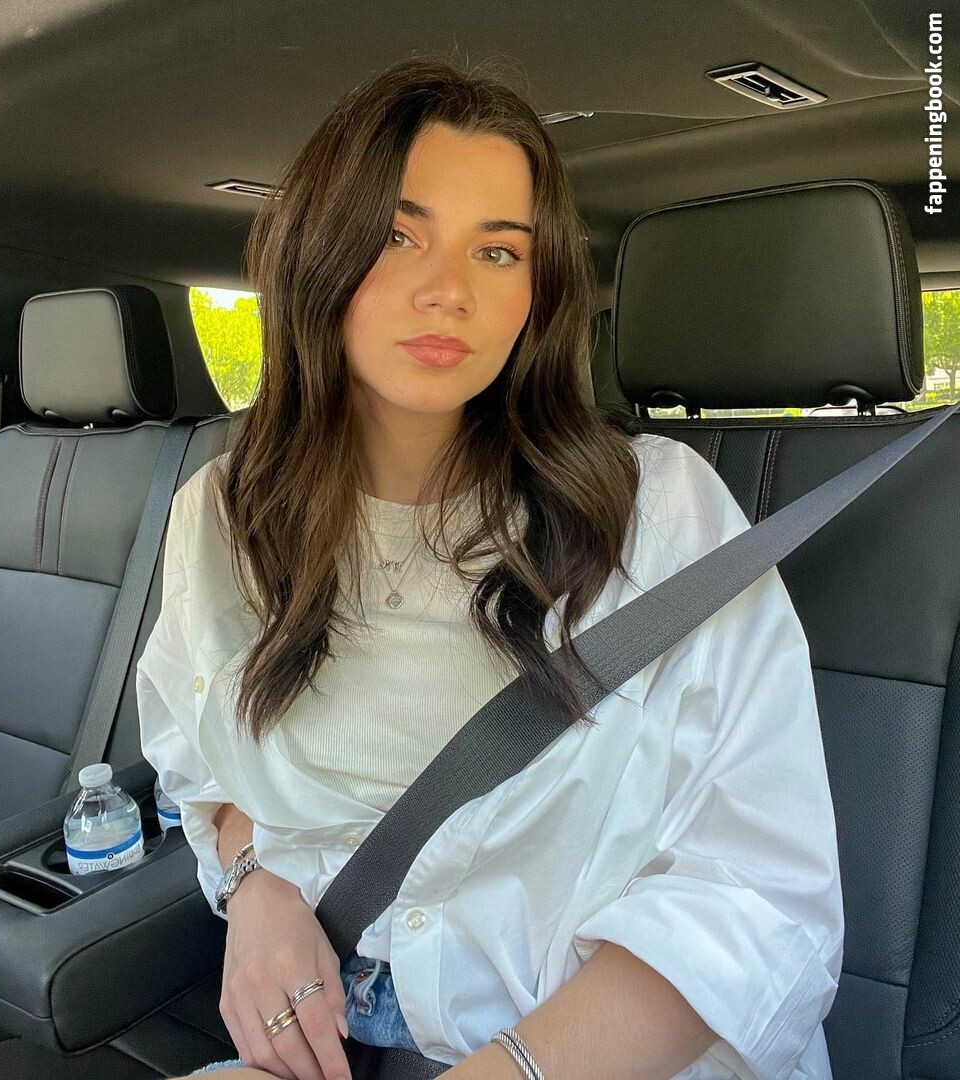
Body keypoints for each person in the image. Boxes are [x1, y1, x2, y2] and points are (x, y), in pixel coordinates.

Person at [136, 55, 843, 1080]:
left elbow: (757, 892)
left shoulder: (658, 513)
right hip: (319, 1040)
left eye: (499, 252)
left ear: (536, 295)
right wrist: (256, 889)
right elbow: (194, 755)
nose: (448, 292)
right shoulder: (221, 513)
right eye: (397, 236)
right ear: (316, 256)